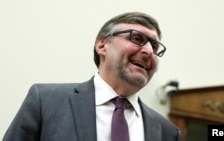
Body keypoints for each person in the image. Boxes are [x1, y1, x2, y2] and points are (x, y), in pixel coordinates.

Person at [3, 12, 181, 141]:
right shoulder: (45, 101)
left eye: (155, 48)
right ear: (102, 45)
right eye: (137, 39)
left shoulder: (168, 133)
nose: (149, 51)